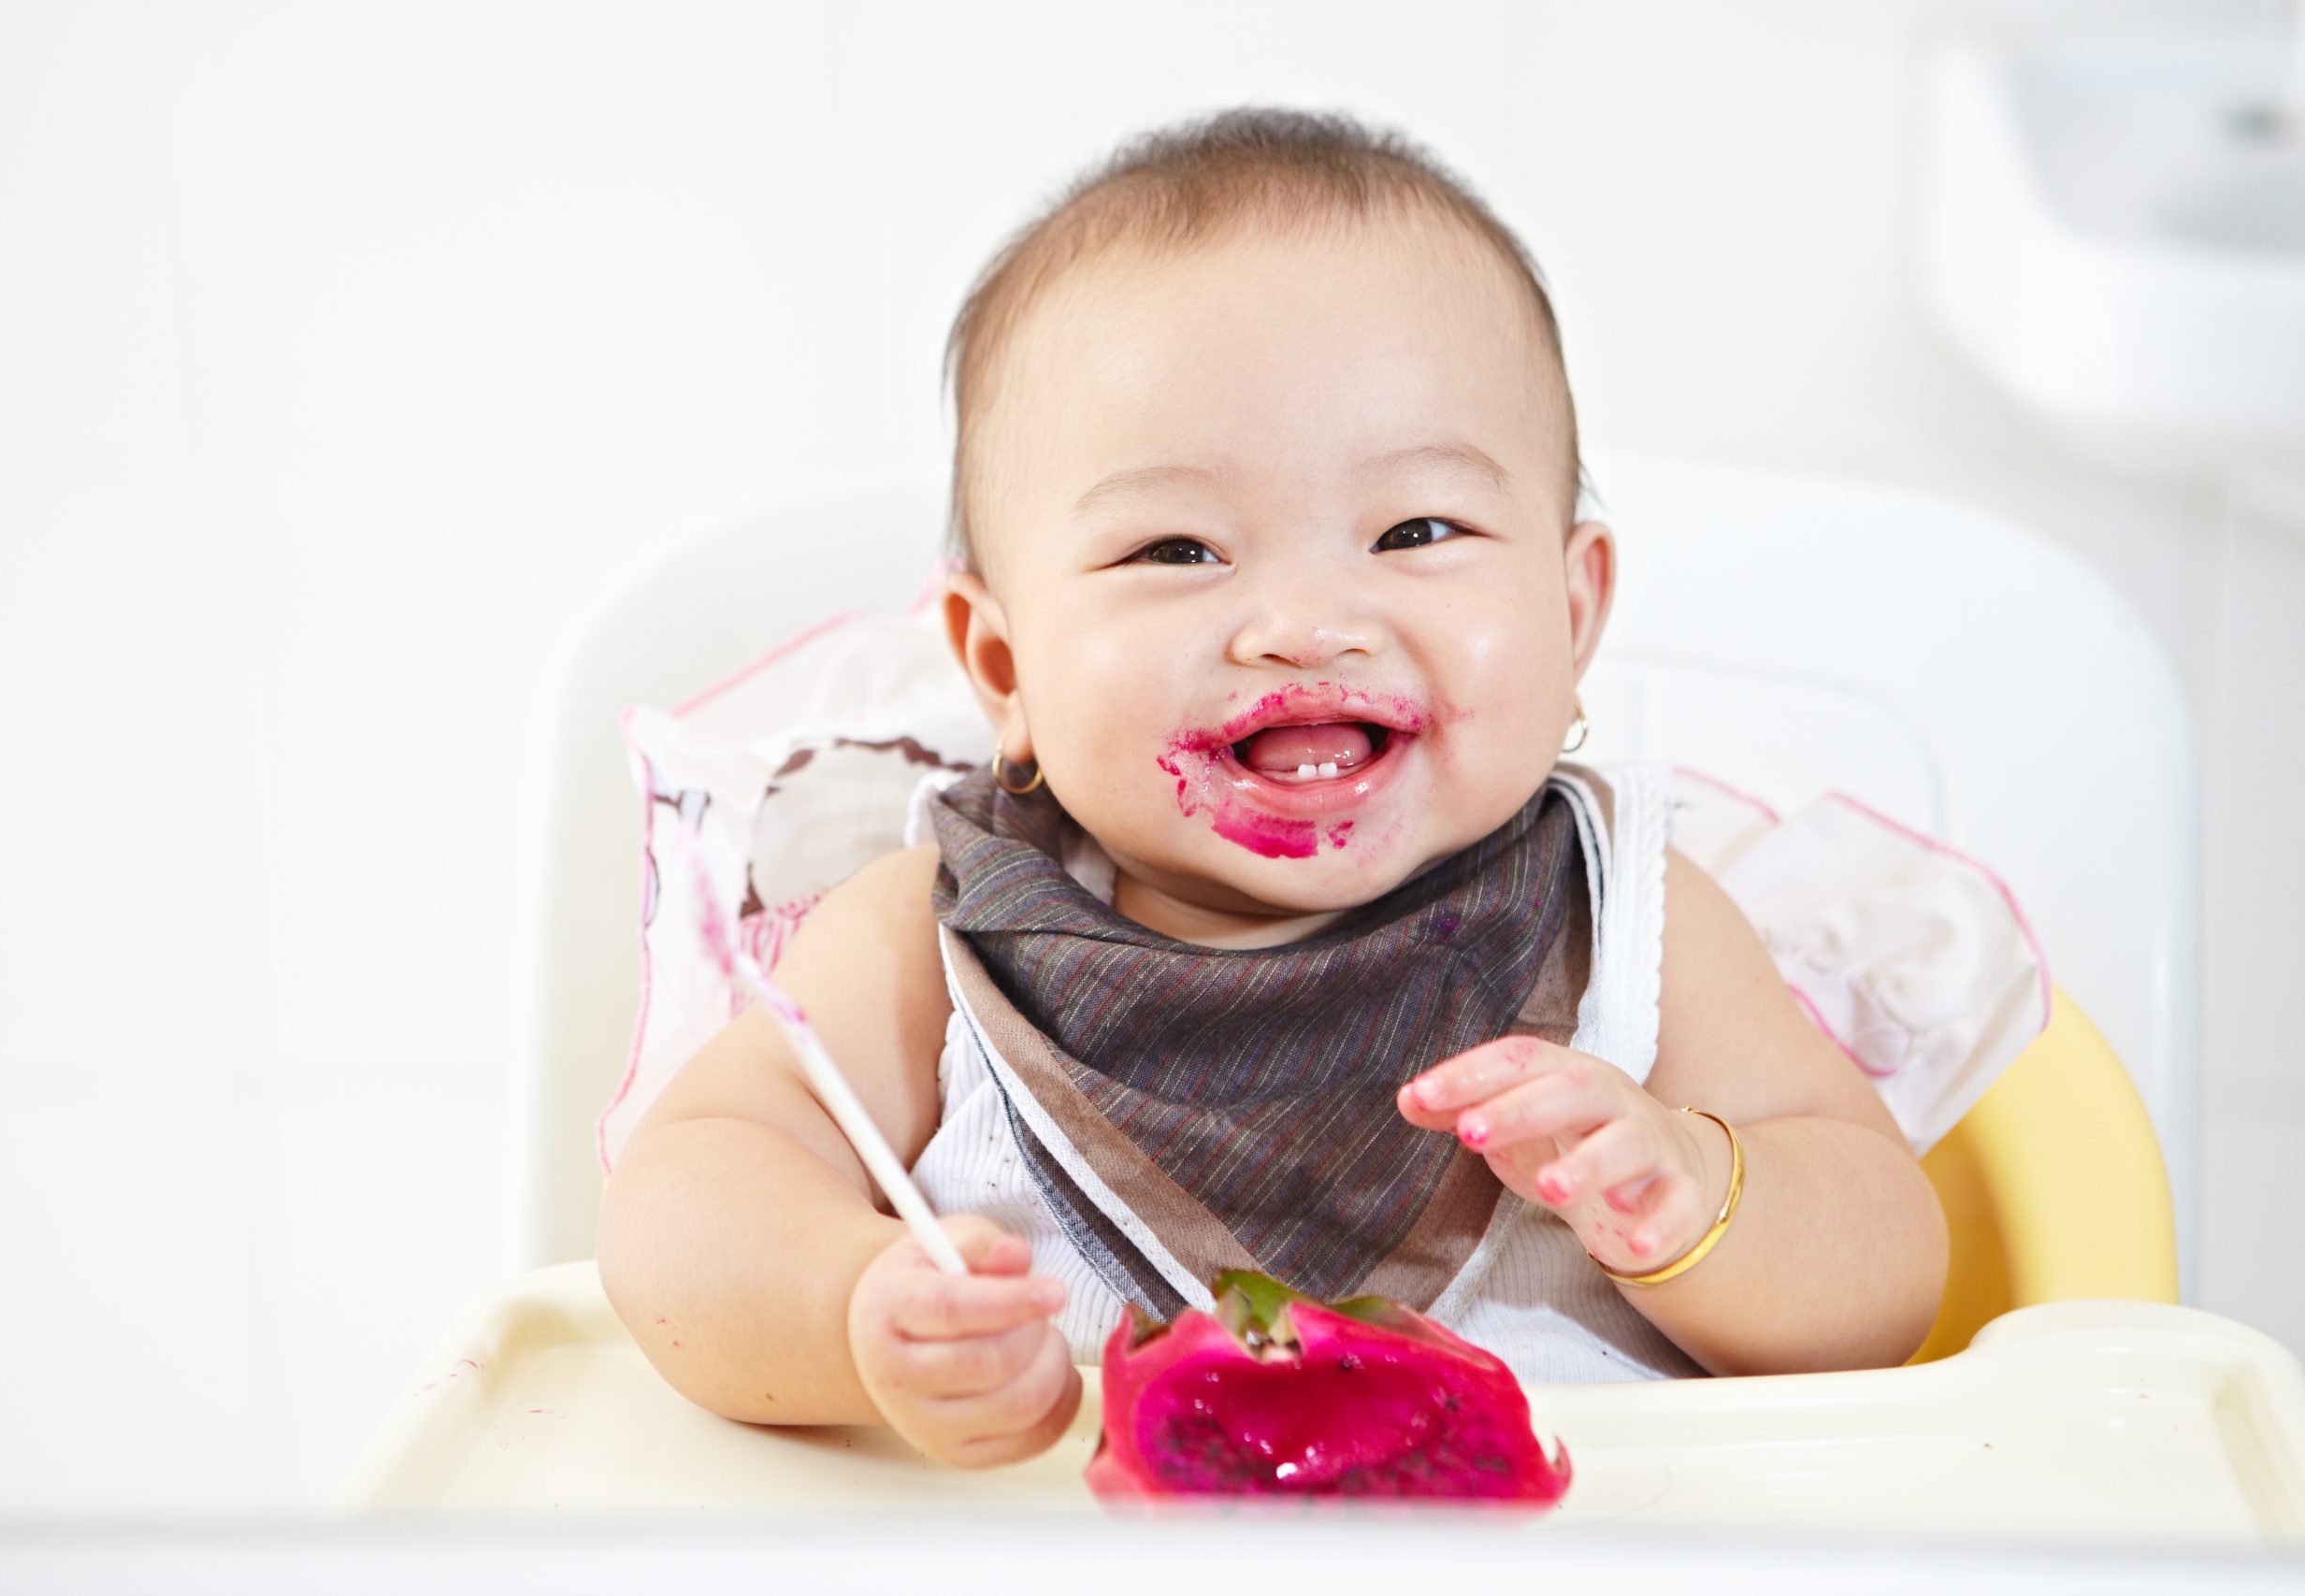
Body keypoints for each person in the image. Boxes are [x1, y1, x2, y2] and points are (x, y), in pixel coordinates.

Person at [596, 106, 1948, 1470]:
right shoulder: (930, 945)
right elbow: (684, 1207)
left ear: (1575, 605)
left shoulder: (1629, 922)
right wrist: (849, 1309)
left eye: (1417, 530)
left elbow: (1887, 1274)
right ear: (1003, 665)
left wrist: (1698, 1193)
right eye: (1178, 548)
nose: (1306, 623)